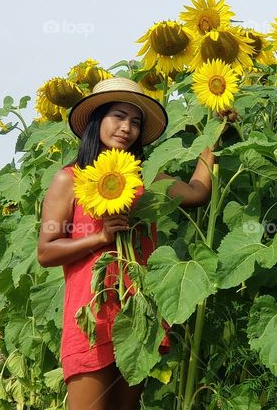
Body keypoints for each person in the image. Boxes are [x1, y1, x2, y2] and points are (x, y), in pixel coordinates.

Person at [37, 77, 226, 410]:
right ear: (97, 121)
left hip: (136, 311)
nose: (127, 127)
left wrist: (216, 129)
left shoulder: (146, 176)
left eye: (135, 122)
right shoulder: (70, 178)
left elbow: (197, 193)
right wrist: (100, 237)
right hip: (91, 312)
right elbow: (46, 251)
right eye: (118, 117)